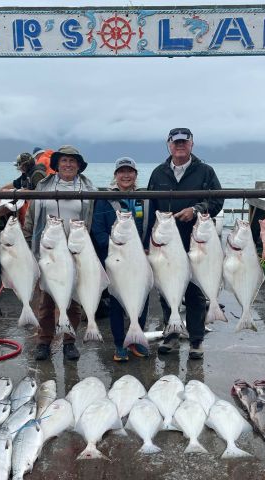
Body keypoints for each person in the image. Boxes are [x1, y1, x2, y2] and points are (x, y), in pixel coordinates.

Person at [145, 127, 223, 360]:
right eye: (175, 143)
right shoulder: (158, 173)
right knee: (168, 290)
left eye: (184, 142)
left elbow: (217, 200)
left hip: (196, 241)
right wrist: (148, 241)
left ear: (191, 145)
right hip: (166, 244)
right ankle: (171, 334)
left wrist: (196, 210)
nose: (179, 146)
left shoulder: (205, 171)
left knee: (195, 292)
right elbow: (151, 208)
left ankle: (196, 340)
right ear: (168, 145)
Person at [23, 145, 96, 361]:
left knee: (73, 300)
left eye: (73, 161)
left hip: (75, 252)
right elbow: (31, 217)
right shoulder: (43, 187)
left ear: (79, 166)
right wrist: (28, 244)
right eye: (64, 160)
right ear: (56, 164)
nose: (68, 164)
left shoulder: (87, 190)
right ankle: (44, 341)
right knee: (46, 300)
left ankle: (69, 341)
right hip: (48, 252)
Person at [91, 157, 150, 362]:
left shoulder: (146, 198)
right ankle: (119, 345)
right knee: (116, 301)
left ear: (135, 175)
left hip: (141, 259)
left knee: (142, 299)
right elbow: (97, 230)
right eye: (122, 172)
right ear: (115, 175)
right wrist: (114, 248)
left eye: (130, 171)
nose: (126, 175)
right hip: (116, 259)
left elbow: (151, 227)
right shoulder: (104, 199)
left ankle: (137, 340)